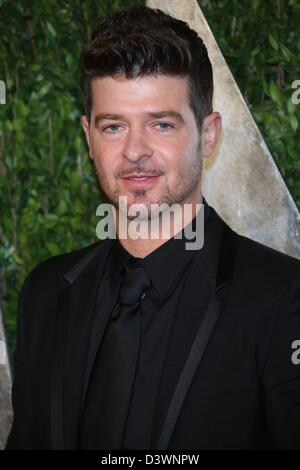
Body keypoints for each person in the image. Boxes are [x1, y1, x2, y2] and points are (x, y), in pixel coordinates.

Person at [6, 5, 300, 450]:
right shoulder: (47, 292)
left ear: (209, 135)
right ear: (88, 137)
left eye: (162, 124)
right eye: (113, 126)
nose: (134, 151)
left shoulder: (282, 299)